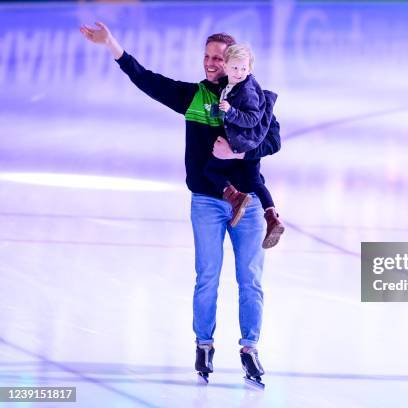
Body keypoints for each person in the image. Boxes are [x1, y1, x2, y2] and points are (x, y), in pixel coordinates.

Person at [79, 22, 278, 384]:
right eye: (206, 56)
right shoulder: (197, 97)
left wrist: (238, 152)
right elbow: (149, 81)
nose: (210, 63)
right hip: (206, 200)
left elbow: (274, 140)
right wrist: (112, 45)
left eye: (217, 57)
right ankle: (204, 344)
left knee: (250, 279)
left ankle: (250, 349)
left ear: (234, 60)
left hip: (246, 200)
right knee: (207, 277)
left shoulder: (254, 97)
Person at [204, 43, 285, 249]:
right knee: (255, 181)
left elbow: (251, 119)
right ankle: (272, 217)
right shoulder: (228, 84)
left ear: (250, 68)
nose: (239, 73)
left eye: (244, 69)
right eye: (235, 68)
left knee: (211, 169)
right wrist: (215, 110)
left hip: (245, 143)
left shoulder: (247, 91)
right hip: (244, 141)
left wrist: (230, 112)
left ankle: (237, 198)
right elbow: (224, 106)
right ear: (226, 65)